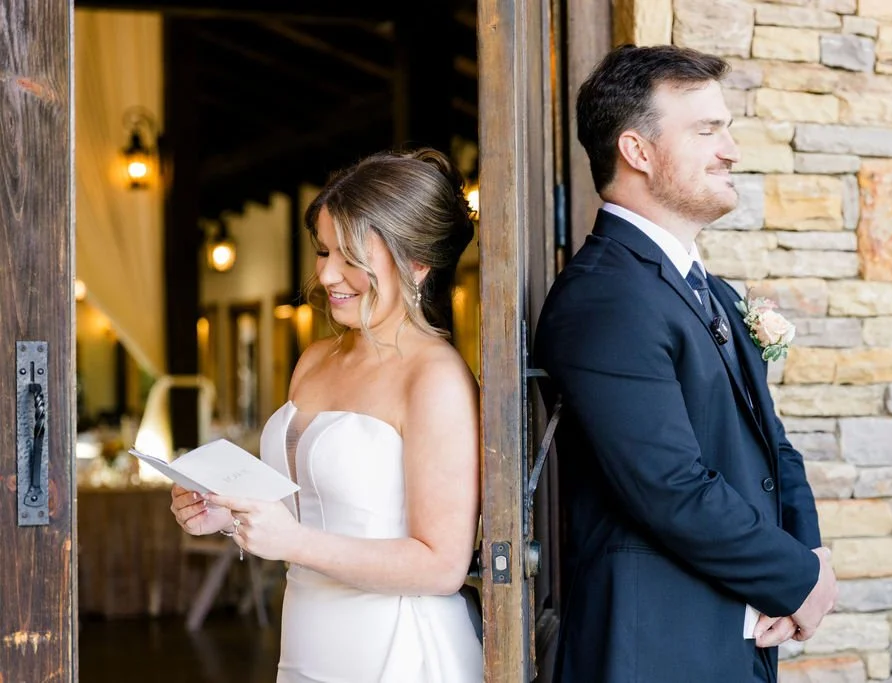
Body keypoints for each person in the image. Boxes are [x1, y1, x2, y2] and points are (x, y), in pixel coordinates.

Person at [533, 45, 838, 682]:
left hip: (732, 635)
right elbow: (668, 485)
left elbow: (772, 445)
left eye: (726, 128)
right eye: (707, 130)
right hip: (655, 648)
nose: (731, 150)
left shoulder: (714, 292)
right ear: (637, 151)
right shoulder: (606, 296)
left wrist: (811, 555)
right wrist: (797, 578)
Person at [170, 148, 483, 683]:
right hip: (308, 637)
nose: (327, 274)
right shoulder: (315, 359)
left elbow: (442, 564)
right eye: (322, 251)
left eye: (351, 257)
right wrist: (229, 512)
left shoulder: (435, 378)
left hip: (397, 648)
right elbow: (309, 509)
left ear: (415, 263)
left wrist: (292, 544)